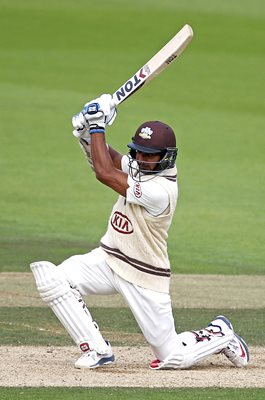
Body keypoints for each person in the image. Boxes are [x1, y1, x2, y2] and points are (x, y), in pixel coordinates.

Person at [30, 94, 249, 370]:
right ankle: (97, 350)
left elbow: (105, 173)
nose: (141, 159)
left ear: (166, 157)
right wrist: (85, 134)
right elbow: (106, 160)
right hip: (109, 258)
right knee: (53, 279)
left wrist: (97, 126)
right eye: (138, 152)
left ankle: (220, 333)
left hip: (144, 273)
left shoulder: (161, 191)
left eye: (149, 155)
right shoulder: (141, 168)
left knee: (171, 356)